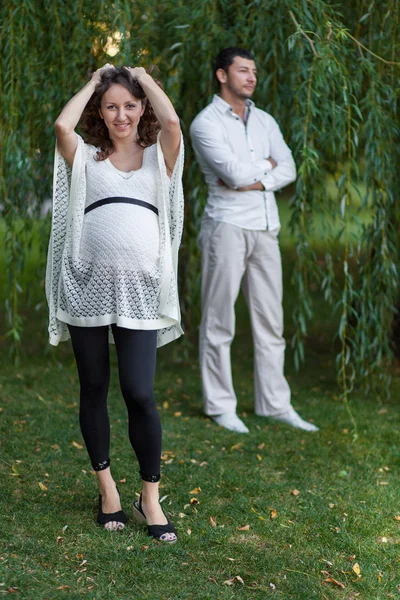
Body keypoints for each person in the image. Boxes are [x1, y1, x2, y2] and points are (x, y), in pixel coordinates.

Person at [45, 64, 184, 542]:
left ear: (141, 106)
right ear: (99, 112)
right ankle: (108, 490)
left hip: (141, 290)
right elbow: (62, 125)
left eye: (129, 105)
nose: (121, 114)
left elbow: (172, 124)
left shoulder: (157, 156)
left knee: (140, 392)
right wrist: (95, 80)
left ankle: (150, 497)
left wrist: (143, 79)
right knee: (94, 386)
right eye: (111, 106)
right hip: (86, 284)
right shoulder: (84, 156)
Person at [190, 47, 318, 434]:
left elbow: (291, 166)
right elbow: (231, 174)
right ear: (222, 75)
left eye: (254, 71)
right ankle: (220, 405)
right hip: (226, 226)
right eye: (243, 71)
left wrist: (256, 176)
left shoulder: (264, 120)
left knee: (270, 322)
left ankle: (275, 404)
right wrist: (268, 169)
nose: (251, 77)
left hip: (266, 227)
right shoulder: (205, 123)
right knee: (218, 320)